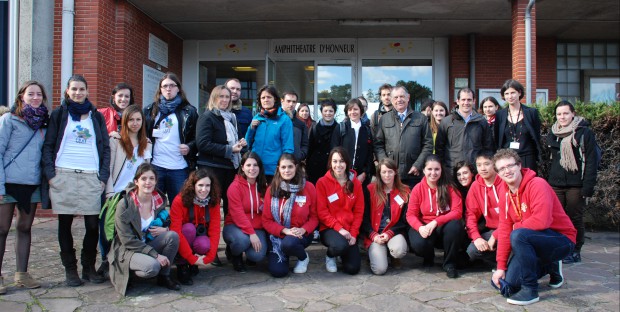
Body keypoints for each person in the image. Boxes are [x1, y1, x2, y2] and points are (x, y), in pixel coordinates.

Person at [42, 74, 110, 286]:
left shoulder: (96, 116)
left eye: (82, 89)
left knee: (92, 225)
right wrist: (51, 175)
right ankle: (70, 270)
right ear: (67, 91)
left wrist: (103, 177)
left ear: (87, 92)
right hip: (64, 174)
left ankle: (88, 267)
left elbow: (105, 148)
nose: (78, 93)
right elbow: (48, 145)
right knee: (65, 224)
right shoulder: (59, 114)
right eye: (74, 89)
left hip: (91, 176)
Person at [491, 149, 576, 306]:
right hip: (531, 240)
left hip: (560, 240)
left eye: (510, 166)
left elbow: (541, 221)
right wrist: (500, 268)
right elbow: (504, 230)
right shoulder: (504, 193)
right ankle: (550, 265)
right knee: (510, 284)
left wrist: (515, 227)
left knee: (518, 235)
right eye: (502, 169)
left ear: (519, 165)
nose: (507, 171)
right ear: (497, 173)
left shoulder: (537, 184)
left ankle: (530, 290)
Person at [0, 81, 49, 294]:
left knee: (24, 228)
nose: (35, 97)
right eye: (31, 94)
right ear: (22, 96)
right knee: (1, 230)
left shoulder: (44, 123)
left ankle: (22, 273)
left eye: (39, 94)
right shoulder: (8, 120)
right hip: (9, 182)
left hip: (31, 183)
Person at [108, 163, 180, 295]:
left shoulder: (158, 200)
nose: (148, 182)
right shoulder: (125, 204)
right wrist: (156, 255)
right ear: (136, 181)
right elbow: (127, 240)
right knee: (152, 267)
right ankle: (130, 272)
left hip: (147, 242)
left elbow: (165, 219)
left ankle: (164, 276)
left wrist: (165, 229)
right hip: (129, 249)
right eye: (143, 178)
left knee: (172, 236)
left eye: (151, 178)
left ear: (156, 181)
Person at [101, 104, 152, 276]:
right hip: (117, 192)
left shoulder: (147, 143)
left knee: (129, 231)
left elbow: (148, 170)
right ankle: (105, 261)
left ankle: (126, 261)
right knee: (109, 228)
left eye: (138, 119)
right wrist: (109, 193)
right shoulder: (115, 140)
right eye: (131, 120)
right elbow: (108, 168)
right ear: (125, 121)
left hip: (135, 194)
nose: (135, 123)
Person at [547, 101, 598, 264]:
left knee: (574, 218)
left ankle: (575, 250)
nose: (562, 117)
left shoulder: (584, 133)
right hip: (556, 183)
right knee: (557, 218)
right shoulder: (553, 132)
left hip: (576, 184)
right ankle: (560, 249)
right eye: (559, 114)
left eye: (565, 113)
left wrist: (587, 187)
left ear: (573, 114)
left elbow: (591, 161)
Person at [406, 155, 465, 278]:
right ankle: (428, 256)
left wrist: (436, 222)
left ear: (441, 170)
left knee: (455, 226)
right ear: (423, 170)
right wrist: (420, 227)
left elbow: (457, 211)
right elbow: (411, 215)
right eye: (430, 169)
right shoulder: (417, 189)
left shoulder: (450, 187)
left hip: (443, 226)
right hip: (425, 226)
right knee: (418, 243)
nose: (433, 173)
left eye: (437, 169)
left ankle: (449, 264)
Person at [144, 72, 198, 203]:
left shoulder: (189, 111)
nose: (168, 89)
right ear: (160, 89)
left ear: (178, 88)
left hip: (179, 167)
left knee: (180, 206)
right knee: (154, 206)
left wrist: (189, 147)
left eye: (172, 86)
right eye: (165, 86)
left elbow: (198, 138)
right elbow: (142, 133)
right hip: (156, 166)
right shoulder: (150, 110)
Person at [262, 153, 317, 277]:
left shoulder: (308, 187)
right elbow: (266, 220)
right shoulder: (272, 189)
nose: (287, 170)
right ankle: (284, 254)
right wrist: (285, 231)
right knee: (278, 272)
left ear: (296, 167)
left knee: (289, 244)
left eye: (290, 167)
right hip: (278, 235)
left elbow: (314, 217)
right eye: (283, 167)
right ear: (278, 169)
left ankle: (303, 257)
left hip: (300, 234)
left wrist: (303, 230)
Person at [196, 85, 246, 217]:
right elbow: (202, 144)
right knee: (211, 208)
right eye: (221, 96)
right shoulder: (207, 117)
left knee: (231, 207)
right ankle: (209, 236)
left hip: (230, 168)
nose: (224, 100)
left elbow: (234, 141)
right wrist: (229, 149)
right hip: (212, 169)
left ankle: (230, 235)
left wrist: (241, 143)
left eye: (227, 97)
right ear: (214, 98)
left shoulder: (232, 118)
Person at [316, 147, 364, 274]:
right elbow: (322, 212)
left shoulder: (356, 183)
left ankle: (342, 253)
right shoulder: (322, 182)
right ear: (330, 163)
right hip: (329, 228)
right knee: (340, 245)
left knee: (353, 269)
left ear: (347, 163)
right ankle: (331, 255)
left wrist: (353, 233)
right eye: (335, 161)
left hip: (349, 230)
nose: (338, 165)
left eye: (341, 161)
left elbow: (359, 212)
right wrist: (339, 229)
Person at [374, 85, 433, 188]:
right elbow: (378, 145)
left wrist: (418, 165)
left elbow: (428, 144)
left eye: (402, 96)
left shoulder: (421, 118)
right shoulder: (384, 119)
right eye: (396, 97)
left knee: (412, 203)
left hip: (414, 174)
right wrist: (386, 166)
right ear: (392, 100)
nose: (399, 100)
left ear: (408, 97)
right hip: (391, 175)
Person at [170, 168, 221, 285]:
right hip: (184, 236)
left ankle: (195, 264)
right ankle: (183, 265)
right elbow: (176, 231)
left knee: (204, 244)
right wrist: (191, 257)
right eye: (200, 185)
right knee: (188, 229)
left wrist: (209, 258)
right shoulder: (179, 200)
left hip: (200, 236)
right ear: (193, 185)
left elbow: (215, 230)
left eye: (208, 185)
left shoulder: (214, 201)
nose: (204, 189)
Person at [361, 158, 409, 275]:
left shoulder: (405, 191)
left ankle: (393, 255)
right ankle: (374, 253)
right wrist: (373, 235)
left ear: (395, 172)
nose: (387, 175)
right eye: (384, 172)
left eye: (390, 171)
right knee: (379, 270)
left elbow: (405, 220)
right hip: (375, 234)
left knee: (399, 250)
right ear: (379, 173)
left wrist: (390, 233)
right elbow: (364, 217)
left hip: (393, 233)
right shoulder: (370, 189)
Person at [224, 152, 269, 272]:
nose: (252, 168)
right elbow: (237, 214)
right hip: (234, 225)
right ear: (242, 167)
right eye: (248, 165)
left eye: (255, 165)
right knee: (242, 241)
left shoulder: (263, 186)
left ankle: (248, 252)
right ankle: (235, 255)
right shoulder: (234, 187)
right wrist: (251, 234)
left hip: (256, 227)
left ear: (260, 167)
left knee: (257, 255)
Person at [435, 88, 494, 173]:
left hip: (475, 171)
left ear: (474, 101)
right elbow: (439, 148)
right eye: (463, 100)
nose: (466, 103)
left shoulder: (481, 121)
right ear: (457, 101)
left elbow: (488, 147)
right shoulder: (446, 121)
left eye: (469, 100)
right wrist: (444, 168)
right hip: (452, 171)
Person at [245, 85, 294, 181]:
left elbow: (288, 147)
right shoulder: (257, 117)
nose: (266, 100)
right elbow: (247, 144)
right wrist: (250, 129)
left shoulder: (284, 119)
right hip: (256, 169)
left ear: (275, 99)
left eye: (269, 97)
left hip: (274, 170)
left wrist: (284, 168)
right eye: (263, 97)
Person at [495, 79, 542, 171]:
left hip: (527, 157)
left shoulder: (531, 112)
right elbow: (497, 138)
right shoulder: (500, 115)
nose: (510, 96)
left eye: (513, 92)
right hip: (507, 159)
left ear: (519, 93)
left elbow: (536, 135)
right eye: (506, 93)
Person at [465, 151, 502, 266]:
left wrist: (496, 235)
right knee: (472, 251)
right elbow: (471, 215)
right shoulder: (476, 186)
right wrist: (476, 237)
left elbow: (513, 218)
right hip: (492, 230)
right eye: (479, 165)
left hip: (510, 229)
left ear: (494, 165)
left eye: (487, 164)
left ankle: (509, 263)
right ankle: (504, 262)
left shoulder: (505, 182)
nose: (483, 168)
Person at [331, 98, 374, 187]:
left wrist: (365, 173)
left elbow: (370, 155)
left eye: (355, 109)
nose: (352, 112)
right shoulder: (340, 127)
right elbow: (334, 151)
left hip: (361, 176)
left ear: (361, 111)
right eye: (350, 110)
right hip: (342, 174)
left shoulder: (367, 130)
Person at [307, 99, 338, 184]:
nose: (328, 113)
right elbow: (310, 149)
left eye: (331, 111)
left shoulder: (339, 128)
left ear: (334, 112)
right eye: (325, 111)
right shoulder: (314, 128)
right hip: (315, 168)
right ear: (321, 112)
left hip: (333, 167)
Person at [281, 91, 309, 162]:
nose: (291, 104)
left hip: (294, 162)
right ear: (282, 101)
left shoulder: (301, 124)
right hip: (276, 163)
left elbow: (305, 144)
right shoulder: (274, 120)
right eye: (288, 101)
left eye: (294, 102)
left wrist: (300, 155)